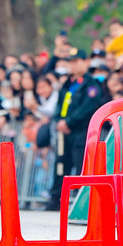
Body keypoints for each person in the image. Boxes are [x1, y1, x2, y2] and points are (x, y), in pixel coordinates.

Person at [45, 48, 105, 210]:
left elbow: (87, 107)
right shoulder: (68, 83)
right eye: (71, 61)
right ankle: (56, 199)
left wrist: (69, 123)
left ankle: (80, 203)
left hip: (80, 132)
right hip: (64, 133)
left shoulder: (91, 85)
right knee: (60, 165)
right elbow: (60, 104)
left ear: (85, 62)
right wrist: (59, 121)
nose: (73, 65)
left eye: (76, 61)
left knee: (80, 166)